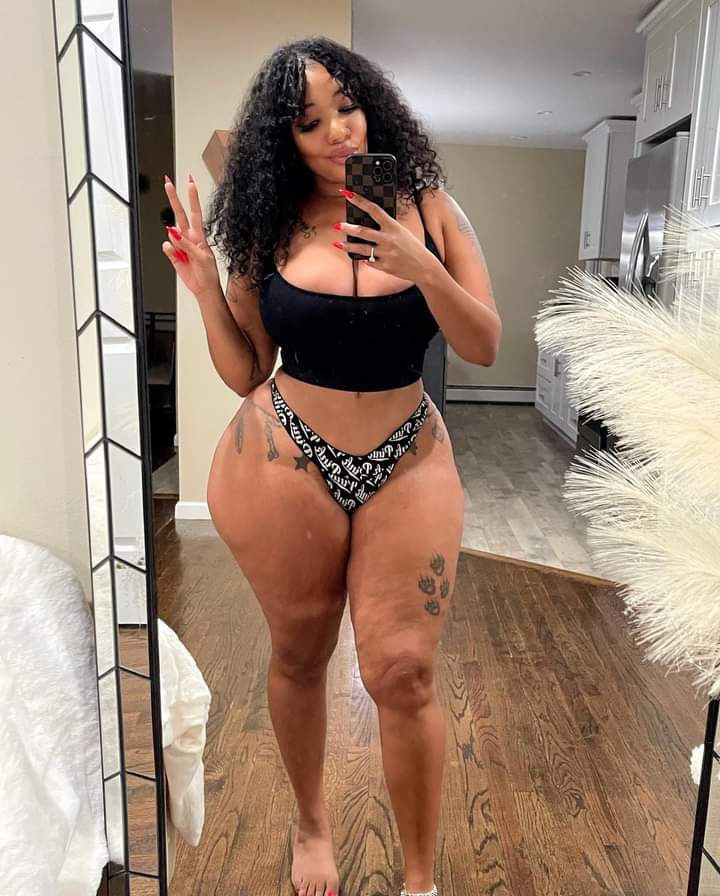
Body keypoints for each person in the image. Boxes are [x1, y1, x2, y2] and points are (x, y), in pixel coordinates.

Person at [161, 35, 500, 896]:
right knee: (300, 652)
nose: (338, 132)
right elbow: (247, 370)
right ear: (284, 138)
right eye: (310, 123)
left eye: (347, 108)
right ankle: (313, 826)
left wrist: (420, 266)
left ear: (372, 107)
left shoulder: (431, 207)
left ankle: (419, 879)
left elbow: (484, 343)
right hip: (287, 461)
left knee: (405, 672)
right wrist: (204, 286)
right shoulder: (268, 223)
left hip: (408, 457)